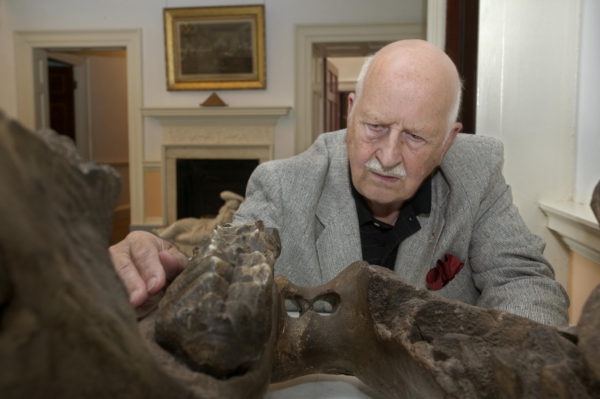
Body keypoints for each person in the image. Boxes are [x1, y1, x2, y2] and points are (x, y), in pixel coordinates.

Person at [110, 39, 569, 326]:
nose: (387, 157)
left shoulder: (478, 170)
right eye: (374, 126)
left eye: (414, 137)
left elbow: (523, 278)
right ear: (350, 112)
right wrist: (180, 279)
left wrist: (510, 365)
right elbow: (233, 262)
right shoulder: (283, 184)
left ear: (449, 140)